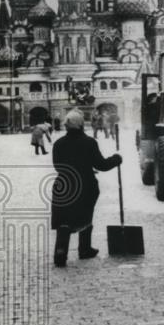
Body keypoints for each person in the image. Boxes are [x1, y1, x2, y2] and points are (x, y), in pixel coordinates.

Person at [50, 109, 122, 267]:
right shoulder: (89, 142)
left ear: (67, 126)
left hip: (63, 185)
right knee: (85, 214)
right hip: (85, 185)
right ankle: (84, 248)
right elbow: (101, 165)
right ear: (81, 125)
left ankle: (60, 252)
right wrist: (116, 159)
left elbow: (57, 166)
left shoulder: (59, 144)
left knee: (64, 219)